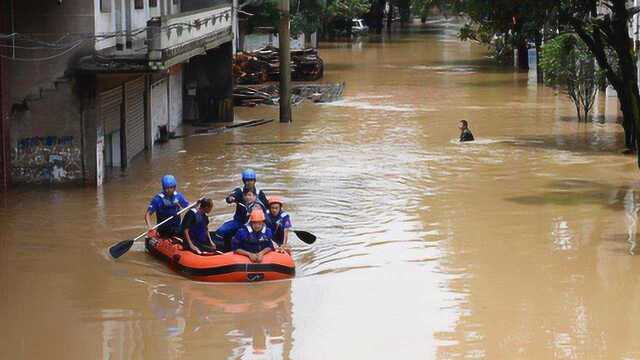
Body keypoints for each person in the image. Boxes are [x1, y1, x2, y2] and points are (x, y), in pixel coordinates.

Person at [214, 169, 268, 244]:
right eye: (247, 180)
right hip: (239, 221)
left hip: (254, 223)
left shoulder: (260, 193)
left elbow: (267, 208)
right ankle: (219, 249)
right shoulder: (239, 191)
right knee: (221, 231)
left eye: (251, 180)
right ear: (244, 181)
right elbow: (231, 197)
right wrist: (231, 198)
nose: (249, 182)